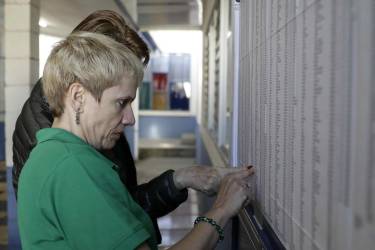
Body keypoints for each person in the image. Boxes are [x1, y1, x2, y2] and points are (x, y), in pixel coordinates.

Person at [11, 10, 250, 243]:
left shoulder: (72, 142)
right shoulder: (70, 163)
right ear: (79, 91)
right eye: (121, 101)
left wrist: (179, 179)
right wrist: (219, 212)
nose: (130, 119)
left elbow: (119, 204)